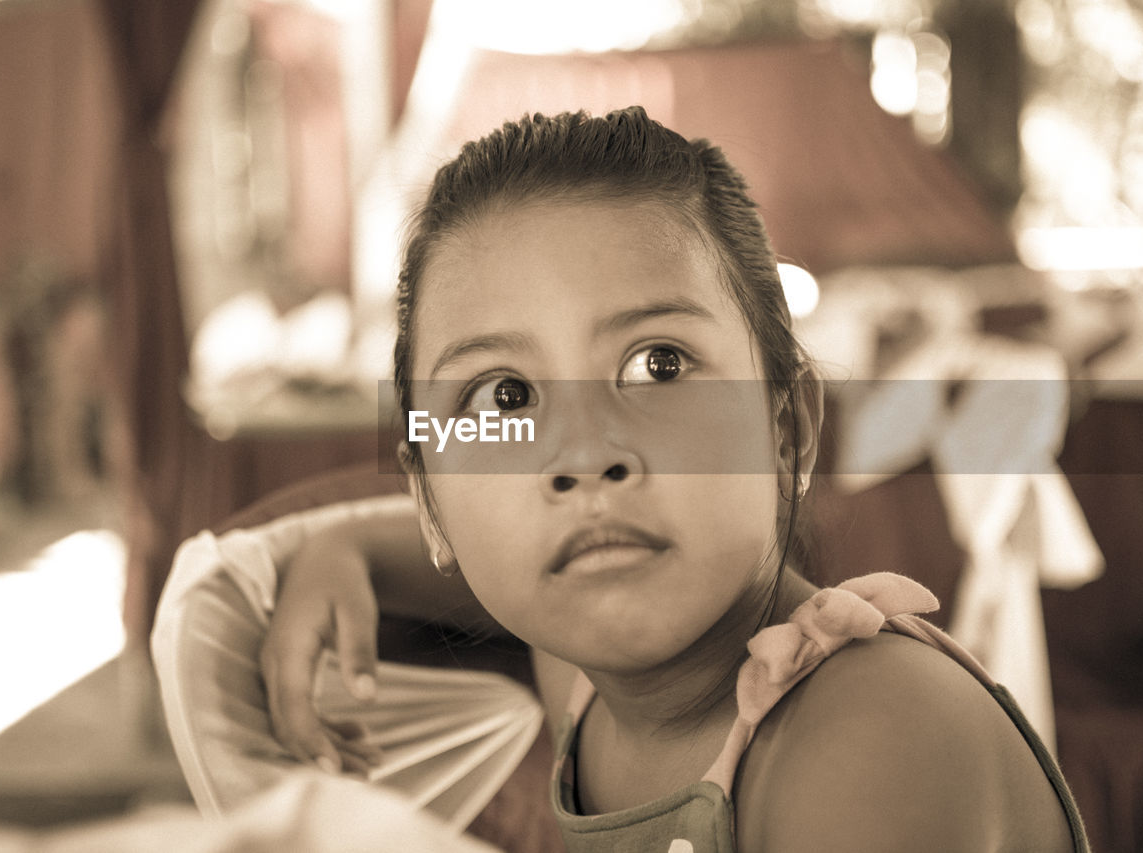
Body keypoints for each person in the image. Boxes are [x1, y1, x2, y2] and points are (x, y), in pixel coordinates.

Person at [255, 107, 1088, 850]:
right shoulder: (582, 679)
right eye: (504, 396)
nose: (584, 455)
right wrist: (350, 547)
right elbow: (515, 552)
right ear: (429, 500)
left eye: (658, 365)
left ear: (787, 427)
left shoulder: (878, 737)